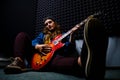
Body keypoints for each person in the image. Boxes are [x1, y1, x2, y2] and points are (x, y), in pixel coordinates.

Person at [4, 16, 108, 80]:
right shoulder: (42, 35)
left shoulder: (63, 35)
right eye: (46, 24)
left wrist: (72, 35)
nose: (48, 25)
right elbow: (32, 42)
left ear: (55, 23)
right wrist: (37, 46)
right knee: (22, 35)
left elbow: (69, 49)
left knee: (64, 60)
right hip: (35, 59)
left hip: (52, 61)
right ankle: (19, 61)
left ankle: (89, 64)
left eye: (50, 22)